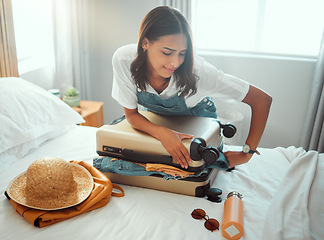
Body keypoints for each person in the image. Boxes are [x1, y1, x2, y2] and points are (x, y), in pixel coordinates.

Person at [112, 6, 272, 169]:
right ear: (145, 43)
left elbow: (262, 100)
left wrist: (247, 153)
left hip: (197, 128)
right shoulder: (124, 60)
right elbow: (131, 115)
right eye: (167, 52)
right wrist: (162, 133)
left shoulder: (201, 72)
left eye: (182, 53)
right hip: (158, 124)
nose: (175, 62)